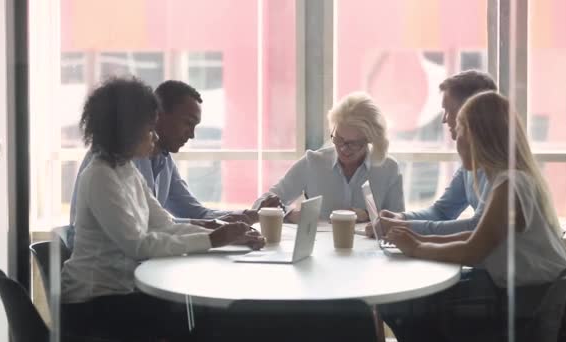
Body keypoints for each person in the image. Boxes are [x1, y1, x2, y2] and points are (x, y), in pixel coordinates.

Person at [60, 77, 265, 341]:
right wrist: (213, 239)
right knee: (202, 324)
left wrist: (227, 236)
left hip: (121, 293)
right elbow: (139, 245)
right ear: (128, 130)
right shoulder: (100, 176)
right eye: (149, 128)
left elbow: (165, 223)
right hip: (93, 303)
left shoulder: (126, 170)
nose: (154, 135)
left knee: (209, 320)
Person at [381, 91, 566, 341]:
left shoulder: (510, 183)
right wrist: (411, 237)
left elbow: (474, 250)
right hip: (530, 295)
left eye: (459, 131)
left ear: (476, 137)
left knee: (404, 306)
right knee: (411, 304)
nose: (455, 140)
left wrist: (417, 246)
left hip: (529, 303)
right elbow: (477, 235)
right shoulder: (510, 178)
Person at [67, 80, 278, 246]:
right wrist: (213, 235)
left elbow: (180, 217)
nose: (192, 135)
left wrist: (242, 220)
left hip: (129, 268)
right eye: (188, 124)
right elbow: (140, 239)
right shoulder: (108, 170)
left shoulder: (152, 162)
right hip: (110, 279)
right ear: (157, 116)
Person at [369, 70, 497, 237]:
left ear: (470, 112)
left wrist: (403, 227)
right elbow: (442, 212)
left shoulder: (499, 168)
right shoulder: (471, 162)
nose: (444, 120)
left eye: (448, 110)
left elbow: (476, 228)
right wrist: (400, 218)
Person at [254, 92, 404, 222]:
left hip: (370, 253)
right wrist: (289, 214)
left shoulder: (388, 168)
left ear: (370, 140)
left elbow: (400, 221)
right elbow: (261, 203)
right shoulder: (313, 163)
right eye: (338, 139)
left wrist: (369, 216)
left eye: (353, 144)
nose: (344, 149)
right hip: (320, 250)